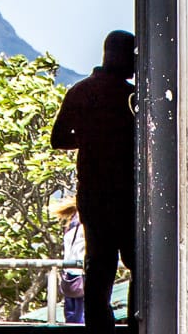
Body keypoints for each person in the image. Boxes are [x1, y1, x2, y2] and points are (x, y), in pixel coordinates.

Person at [49, 30, 136, 332]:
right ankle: (140, 324)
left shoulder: (80, 92)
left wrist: (87, 138)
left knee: (99, 266)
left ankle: (100, 329)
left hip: (93, 195)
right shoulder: (130, 97)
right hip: (127, 196)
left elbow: (58, 139)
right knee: (139, 264)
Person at [53, 196, 86, 324]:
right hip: (80, 275)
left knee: (72, 317)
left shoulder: (72, 223)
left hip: (70, 275)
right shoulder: (81, 223)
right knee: (80, 317)